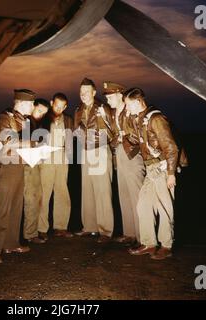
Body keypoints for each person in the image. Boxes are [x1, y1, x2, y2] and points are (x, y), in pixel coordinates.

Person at [124, 88, 187, 260]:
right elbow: (137, 141)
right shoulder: (140, 120)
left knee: (165, 208)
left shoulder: (156, 119)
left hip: (162, 168)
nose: (126, 108)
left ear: (138, 102)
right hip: (151, 169)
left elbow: (171, 147)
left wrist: (171, 173)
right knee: (143, 205)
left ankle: (166, 245)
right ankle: (149, 243)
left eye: (128, 104)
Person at [0, 89, 36, 264]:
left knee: (16, 207)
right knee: (1, 209)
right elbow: (8, 142)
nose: (33, 106)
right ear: (22, 103)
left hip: (18, 167)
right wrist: (32, 143)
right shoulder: (5, 117)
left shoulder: (24, 120)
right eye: (31, 103)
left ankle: (11, 243)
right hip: (6, 168)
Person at [74, 78, 115, 243]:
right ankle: (89, 227)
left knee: (102, 191)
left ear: (94, 92)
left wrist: (88, 137)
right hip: (85, 151)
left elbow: (110, 132)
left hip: (99, 150)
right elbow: (76, 131)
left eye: (86, 91)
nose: (83, 94)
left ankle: (105, 231)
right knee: (87, 189)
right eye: (81, 91)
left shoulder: (102, 108)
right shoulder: (78, 110)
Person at [103, 81, 145, 246]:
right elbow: (112, 135)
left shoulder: (130, 110)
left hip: (133, 155)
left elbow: (140, 133)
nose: (108, 100)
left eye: (110, 96)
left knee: (137, 195)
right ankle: (130, 233)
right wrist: (117, 139)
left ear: (120, 95)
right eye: (106, 97)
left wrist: (123, 138)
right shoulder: (113, 112)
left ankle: (144, 237)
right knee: (124, 194)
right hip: (120, 154)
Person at [38, 93, 73, 241]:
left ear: (65, 106)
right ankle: (41, 228)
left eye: (62, 106)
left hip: (62, 158)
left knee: (62, 191)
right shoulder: (44, 118)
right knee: (44, 192)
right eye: (56, 105)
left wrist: (69, 157)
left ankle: (60, 227)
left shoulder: (69, 120)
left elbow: (71, 140)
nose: (58, 109)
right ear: (52, 103)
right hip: (46, 158)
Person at [23, 98, 49, 244]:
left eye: (44, 113)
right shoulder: (26, 121)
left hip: (35, 163)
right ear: (33, 106)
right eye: (39, 111)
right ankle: (29, 234)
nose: (40, 115)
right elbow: (24, 144)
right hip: (28, 166)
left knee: (36, 197)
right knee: (31, 198)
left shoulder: (37, 122)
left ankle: (30, 232)